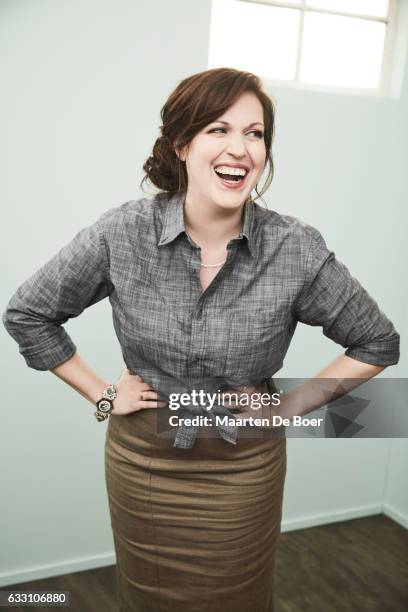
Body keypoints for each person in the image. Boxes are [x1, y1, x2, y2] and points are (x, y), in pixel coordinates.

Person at [2, 67, 399, 612]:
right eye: (218, 128)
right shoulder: (122, 233)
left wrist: (288, 408)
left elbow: (377, 342)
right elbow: (28, 312)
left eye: (255, 133)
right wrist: (101, 393)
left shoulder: (295, 248)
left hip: (243, 470)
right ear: (182, 144)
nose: (240, 148)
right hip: (145, 463)